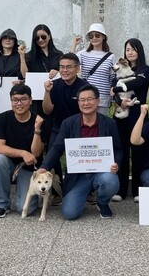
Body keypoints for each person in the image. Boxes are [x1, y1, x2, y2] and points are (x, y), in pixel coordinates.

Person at [38, 84, 122, 220]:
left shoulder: (109, 123)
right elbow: (57, 148)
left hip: (101, 172)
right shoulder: (68, 123)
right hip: (78, 175)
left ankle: (102, 202)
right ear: (78, 103)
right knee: (69, 214)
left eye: (90, 99)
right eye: (82, 100)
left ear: (98, 101)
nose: (86, 103)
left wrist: (116, 164)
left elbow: (118, 149)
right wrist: (44, 167)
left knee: (110, 180)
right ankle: (81, 194)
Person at [0, 84, 46, 218]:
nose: (19, 103)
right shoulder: (2, 118)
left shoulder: (39, 120)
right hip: (9, 164)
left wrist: (37, 130)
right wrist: (22, 152)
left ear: (31, 100)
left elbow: (36, 153)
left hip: (30, 168)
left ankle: (32, 196)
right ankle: (2, 204)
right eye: (15, 100)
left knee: (24, 209)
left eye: (23, 99)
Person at [42, 52, 89, 203]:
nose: (64, 70)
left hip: (79, 129)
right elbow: (47, 110)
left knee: (80, 160)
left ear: (77, 68)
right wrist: (47, 92)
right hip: (59, 127)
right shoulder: (54, 85)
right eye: (62, 67)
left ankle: (85, 190)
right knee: (52, 156)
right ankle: (57, 191)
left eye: (69, 67)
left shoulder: (85, 87)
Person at [111, 38, 149, 202]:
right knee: (121, 151)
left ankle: (137, 191)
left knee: (138, 152)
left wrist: (116, 88)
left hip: (138, 114)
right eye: (127, 49)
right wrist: (120, 101)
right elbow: (113, 88)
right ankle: (119, 190)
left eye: (133, 49)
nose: (130, 52)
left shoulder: (145, 69)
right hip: (121, 113)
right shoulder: (119, 69)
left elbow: (138, 82)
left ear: (139, 51)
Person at [72, 23, 116, 116]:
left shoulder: (111, 56)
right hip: (86, 97)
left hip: (103, 98)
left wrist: (113, 98)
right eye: (91, 36)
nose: (94, 38)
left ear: (103, 37)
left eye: (97, 35)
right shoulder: (83, 54)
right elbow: (70, 62)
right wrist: (74, 45)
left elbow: (112, 77)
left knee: (100, 126)